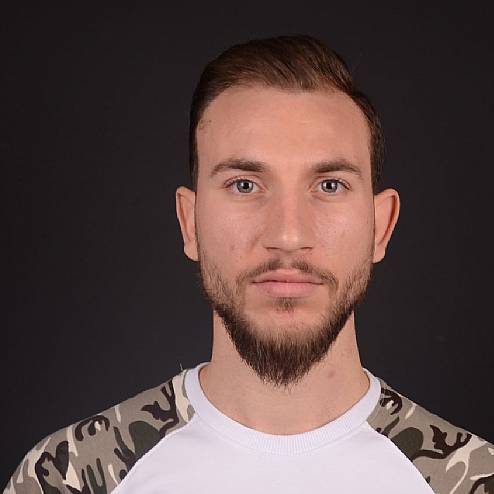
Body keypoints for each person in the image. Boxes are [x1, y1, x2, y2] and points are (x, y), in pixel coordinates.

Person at [4, 34, 493, 494]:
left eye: (329, 186)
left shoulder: (471, 479)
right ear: (190, 223)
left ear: (380, 228)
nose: (288, 236)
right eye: (244, 185)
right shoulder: (67, 478)